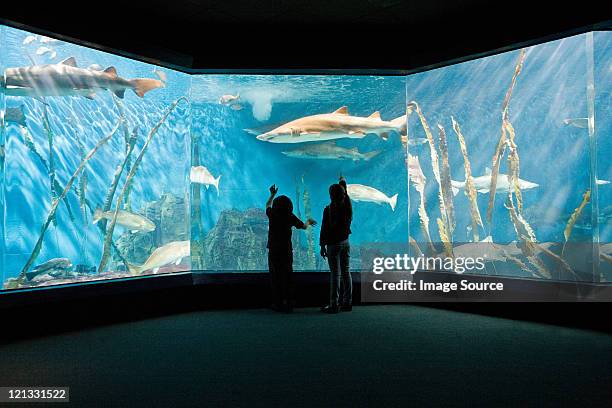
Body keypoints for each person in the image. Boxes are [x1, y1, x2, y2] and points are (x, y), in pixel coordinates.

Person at [266, 184, 316, 313]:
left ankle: (277, 303)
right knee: (287, 275)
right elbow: (304, 227)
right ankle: (289, 302)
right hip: (286, 250)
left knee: (275, 275)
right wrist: (309, 222)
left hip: (274, 249)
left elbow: (267, 205)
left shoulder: (272, 214)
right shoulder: (290, 216)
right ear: (290, 206)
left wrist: (272, 194)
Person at [319, 175, 353, 314]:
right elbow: (345, 194)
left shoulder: (329, 210)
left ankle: (334, 304)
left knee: (335, 274)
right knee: (346, 272)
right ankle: (347, 302)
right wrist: (343, 182)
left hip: (333, 246)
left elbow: (324, 229)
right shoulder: (347, 208)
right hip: (345, 243)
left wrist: (322, 245)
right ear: (343, 194)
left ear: (330, 196)